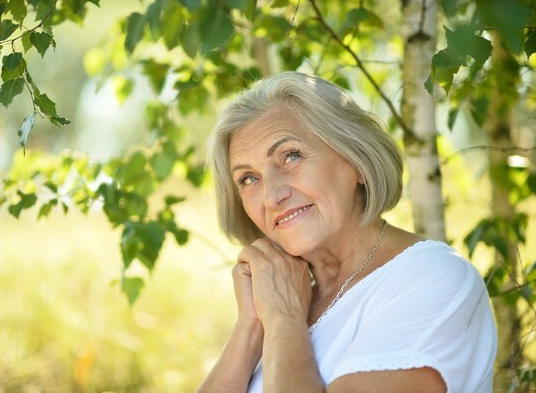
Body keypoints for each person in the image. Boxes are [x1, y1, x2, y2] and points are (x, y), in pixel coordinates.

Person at [197, 72, 497, 393]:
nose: (271, 196)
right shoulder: (285, 294)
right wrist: (253, 323)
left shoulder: (434, 279)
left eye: (291, 156)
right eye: (248, 178)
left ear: (356, 159)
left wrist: (284, 319)